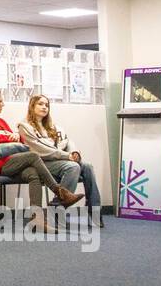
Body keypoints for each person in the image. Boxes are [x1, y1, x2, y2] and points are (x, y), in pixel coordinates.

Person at [0, 87, 82, 232]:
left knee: (32, 173)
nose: (3, 104)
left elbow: (18, 141)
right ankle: (60, 192)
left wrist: (17, 137)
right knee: (33, 156)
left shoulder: (1, 121)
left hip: (9, 161)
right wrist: (8, 137)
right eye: (0, 101)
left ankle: (37, 220)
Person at [17, 94, 104, 227]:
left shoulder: (54, 127)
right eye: (40, 104)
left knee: (87, 166)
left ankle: (94, 211)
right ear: (32, 106)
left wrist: (74, 152)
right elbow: (40, 150)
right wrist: (66, 156)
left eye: (47, 105)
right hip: (42, 163)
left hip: (60, 161)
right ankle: (57, 210)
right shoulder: (24, 127)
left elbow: (68, 141)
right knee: (73, 167)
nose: (44, 107)